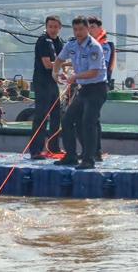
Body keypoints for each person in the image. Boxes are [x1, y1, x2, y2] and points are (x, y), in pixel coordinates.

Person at [52, 16, 108, 170]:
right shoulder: (71, 44)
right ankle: (71, 155)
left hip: (97, 88)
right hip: (83, 90)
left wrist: (74, 77)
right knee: (67, 120)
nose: (78, 33)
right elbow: (58, 60)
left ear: (87, 29)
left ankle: (89, 159)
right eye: (75, 29)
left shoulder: (94, 47)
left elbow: (94, 72)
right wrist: (55, 73)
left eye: (81, 29)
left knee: (88, 122)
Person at [30, 15, 64, 159]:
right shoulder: (43, 41)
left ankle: (53, 146)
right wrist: (67, 65)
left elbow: (59, 64)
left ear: (60, 28)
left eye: (55, 27)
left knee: (56, 114)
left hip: (53, 82)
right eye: (50, 26)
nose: (53, 29)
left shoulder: (60, 42)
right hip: (42, 82)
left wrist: (63, 74)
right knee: (41, 116)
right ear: (46, 27)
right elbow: (47, 64)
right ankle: (36, 150)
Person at [88, 16, 116, 85]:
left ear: (100, 28)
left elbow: (101, 65)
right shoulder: (88, 45)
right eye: (88, 28)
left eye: (92, 27)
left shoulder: (105, 46)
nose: (90, 30)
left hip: (100, 84)